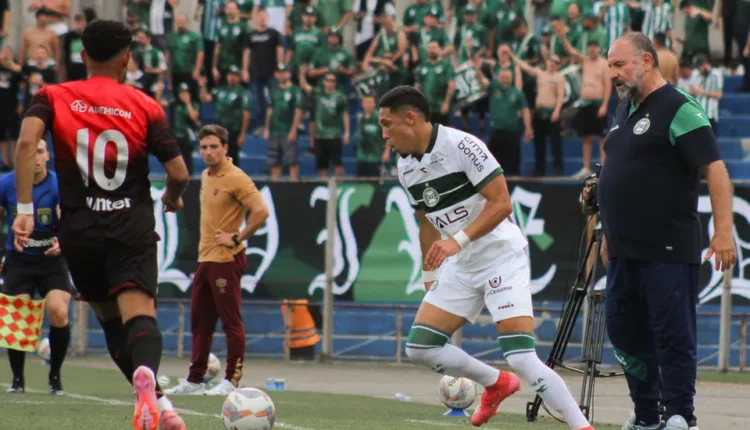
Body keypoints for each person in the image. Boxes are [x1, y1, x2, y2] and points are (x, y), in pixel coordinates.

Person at [378, 85, 594, 430]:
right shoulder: (405, 167)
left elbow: (502, 204)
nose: (384, 135)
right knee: (420, 347)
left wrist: (457, 241)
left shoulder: (462, 145)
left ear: (411, 118)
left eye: (387, 125)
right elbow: (426, 222)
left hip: (500, 257)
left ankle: (582, 426)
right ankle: (497, 383)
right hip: (461, 266)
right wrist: (430, 275)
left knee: (521, 358)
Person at [13, 19, 189, 430]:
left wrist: (24, 207)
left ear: (82, 56)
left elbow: (25, 143)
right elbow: (179, 172)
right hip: (130, 228)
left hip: (80, 231)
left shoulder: (52, 95)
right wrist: (173, 196)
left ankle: (162, 407)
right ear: (127, 58)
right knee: (139, 317)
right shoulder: (146, 105)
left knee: (110, 321)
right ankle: (148, 377)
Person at [582, 32, 736, 430]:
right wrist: (607, 229)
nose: (612, 74)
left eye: (619, 65)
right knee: (624, 334)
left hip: (667, 248)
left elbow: (715, 169)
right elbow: (617, 174)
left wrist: (723, 231)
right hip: (623, 251)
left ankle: (681, 415)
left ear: (647, 61)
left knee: (672, 336)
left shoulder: (677, 106)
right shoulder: (623, 112)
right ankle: (647, 416)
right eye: (610, 66)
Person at [165, 124, 269, 396]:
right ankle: (194, 380)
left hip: (225, 260)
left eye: (214, 147)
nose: (208, 152)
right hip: (205, 259)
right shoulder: (206, 175)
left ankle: (231, 380)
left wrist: (238, 237)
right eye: (203, 147)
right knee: (200, 322)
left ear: (225, 148)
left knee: (231, 322)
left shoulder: (236, 177)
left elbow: (261, 211)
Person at [1, 139, 72, 396]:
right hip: (18, 259)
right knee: (19, 315)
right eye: (31, 152)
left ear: (48, 156)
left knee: (58, 311)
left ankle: (55, 377)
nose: (36, 157)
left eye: (40, 152)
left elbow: (72, 218)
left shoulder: (59, 185)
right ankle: (17, 380)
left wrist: (63, 240)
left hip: (52, 260)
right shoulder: (7, 183)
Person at [504, 45, 565, 176]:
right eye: (551, 60)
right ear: (547, 62)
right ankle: (539, 169)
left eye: (555, 62)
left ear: (558, 65)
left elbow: (561, 95)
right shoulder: (540, 74)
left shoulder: (559, 77)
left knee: (555, 143)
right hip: (539, 112)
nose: (552, 63)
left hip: (552, 112)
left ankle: (558, 169)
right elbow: (526, 67)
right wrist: (512, 55)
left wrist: (557, 111)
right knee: (539, 143)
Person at [558, 31, 611, 178]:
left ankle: (603, 167)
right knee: (586, 137)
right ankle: (586, 168)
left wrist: (605, 105)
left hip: (598, 103)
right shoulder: (585, 61)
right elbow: (571, 51)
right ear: (588, 48)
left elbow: (608, 86)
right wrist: (562, 37)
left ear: (599, 48)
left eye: (595, 47)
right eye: (590, 47)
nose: (593, 49)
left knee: (602, 137)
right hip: (585, 103)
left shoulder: (604, 64)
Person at [477, 65, 532, 176]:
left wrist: (528, 128)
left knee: (512, 163)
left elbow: (525, 110)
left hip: (512, 132)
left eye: (507, 78)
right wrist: (477, 69)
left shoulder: (517, 93)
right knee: (493, 163)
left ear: (511, 79)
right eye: (502, 78)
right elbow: (483, 82)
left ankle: (514, 180)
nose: (505, 80)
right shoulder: (493, 88)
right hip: (496, 131)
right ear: (499, 78)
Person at [300, 71, 350, 179]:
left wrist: (347, 132)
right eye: (328, 80)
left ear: (335, 83)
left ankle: (340, 185)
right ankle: (325, 185)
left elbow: (345, 115)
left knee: (338, 165)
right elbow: (304, 86)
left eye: (333, 81)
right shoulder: (318, 94)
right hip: (320, 136)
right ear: (324, 82)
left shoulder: (340, 97)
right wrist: (302, 73)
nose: (330, 83)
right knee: (323, 166)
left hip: (334, 135)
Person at [264, 64, 303, 181]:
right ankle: (275, 184)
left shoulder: (295, 91)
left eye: (284, 72)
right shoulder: (273, 91)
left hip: (288, 130)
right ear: (276, 75)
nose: (282, 75)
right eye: (279, 73)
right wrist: (267, 128)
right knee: (274, 161)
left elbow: (298, 111)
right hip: (274, 130)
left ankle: (294, 183)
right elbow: (270, 110)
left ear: (289, 74)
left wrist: (294, 130)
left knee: (292, 160)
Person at [690, 54, 723, 136]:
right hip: (697, 113)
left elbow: (719, 94)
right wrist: (693, 91)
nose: (699, 69)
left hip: (710, 113)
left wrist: (703, 92)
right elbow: (691, 91)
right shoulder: (696, 74)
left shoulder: (716, 74)